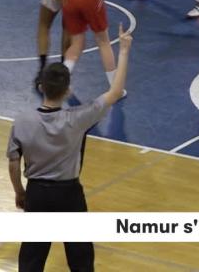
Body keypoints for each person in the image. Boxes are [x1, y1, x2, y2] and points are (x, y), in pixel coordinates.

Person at [8, 24, 133, 272]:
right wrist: (124, 50)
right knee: (80, 256)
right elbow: (116, 91)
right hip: (68, 194)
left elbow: (13, 162)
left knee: (31, 256)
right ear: (68, 90)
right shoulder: (78, 118)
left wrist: (20, 192)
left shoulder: (22, 120)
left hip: (37, 193)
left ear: (41, 87)